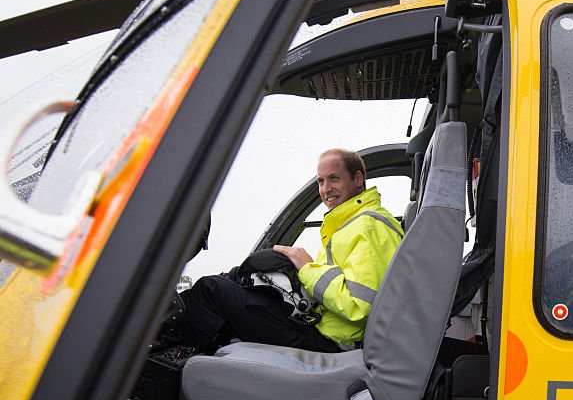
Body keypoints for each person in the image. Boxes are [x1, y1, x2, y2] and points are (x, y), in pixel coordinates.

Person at [168, 148, 403, 353]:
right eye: (321, 181)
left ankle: (168, 356)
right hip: (321, 327)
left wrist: (307, 267)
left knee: (211, 290)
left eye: (334, 178)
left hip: (329, 341)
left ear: (358, 179)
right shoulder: (352, 224)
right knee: (232, 283)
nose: (326, 189)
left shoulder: (369, 225)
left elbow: (360, 306)